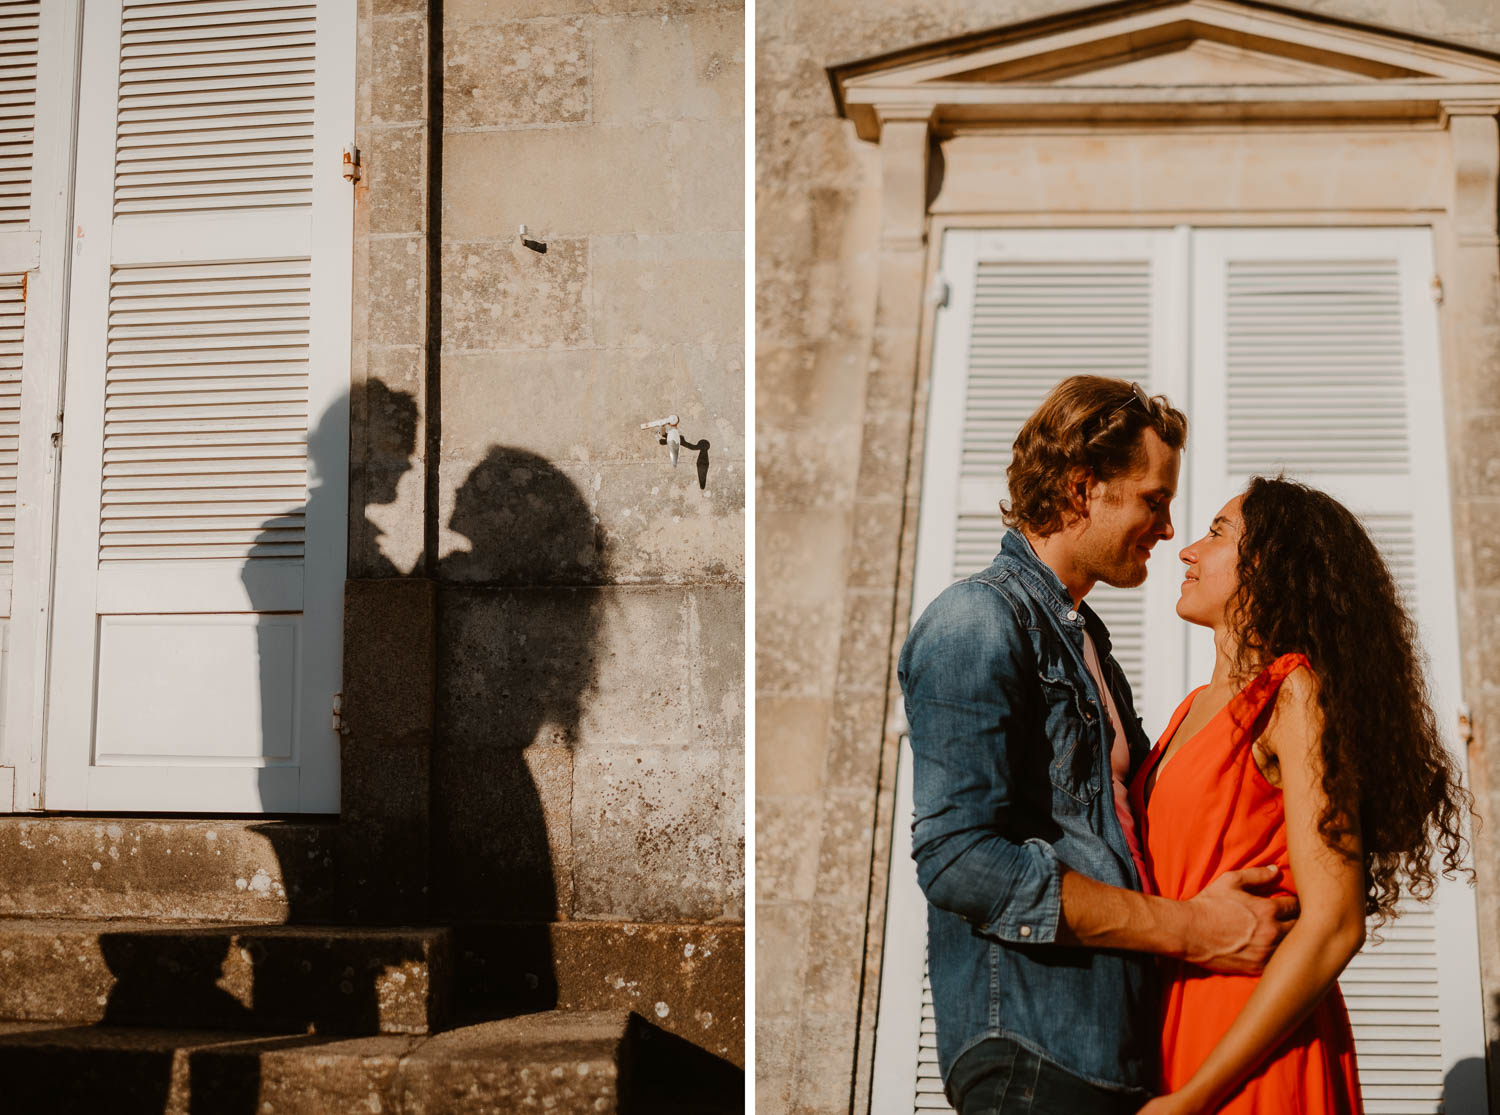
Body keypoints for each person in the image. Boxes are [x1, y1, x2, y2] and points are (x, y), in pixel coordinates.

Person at [899, 376, 1298, 1115]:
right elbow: (959, 860)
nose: (1170, 529)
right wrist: (1192, 928)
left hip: (1115, 1054)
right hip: (1037, 1055)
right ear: (1085, 489)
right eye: (1154, 499)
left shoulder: (1089, 645)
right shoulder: (975, 619)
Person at [1129, 477, 1471, 1114]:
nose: (1188, 550)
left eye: (1218, 532)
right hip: (1172, 1032)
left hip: (1254, 1052)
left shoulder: (1292, 695)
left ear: (1272, 563)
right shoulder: (1187, 713)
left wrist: (1197, 1096)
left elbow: (1335, 923)